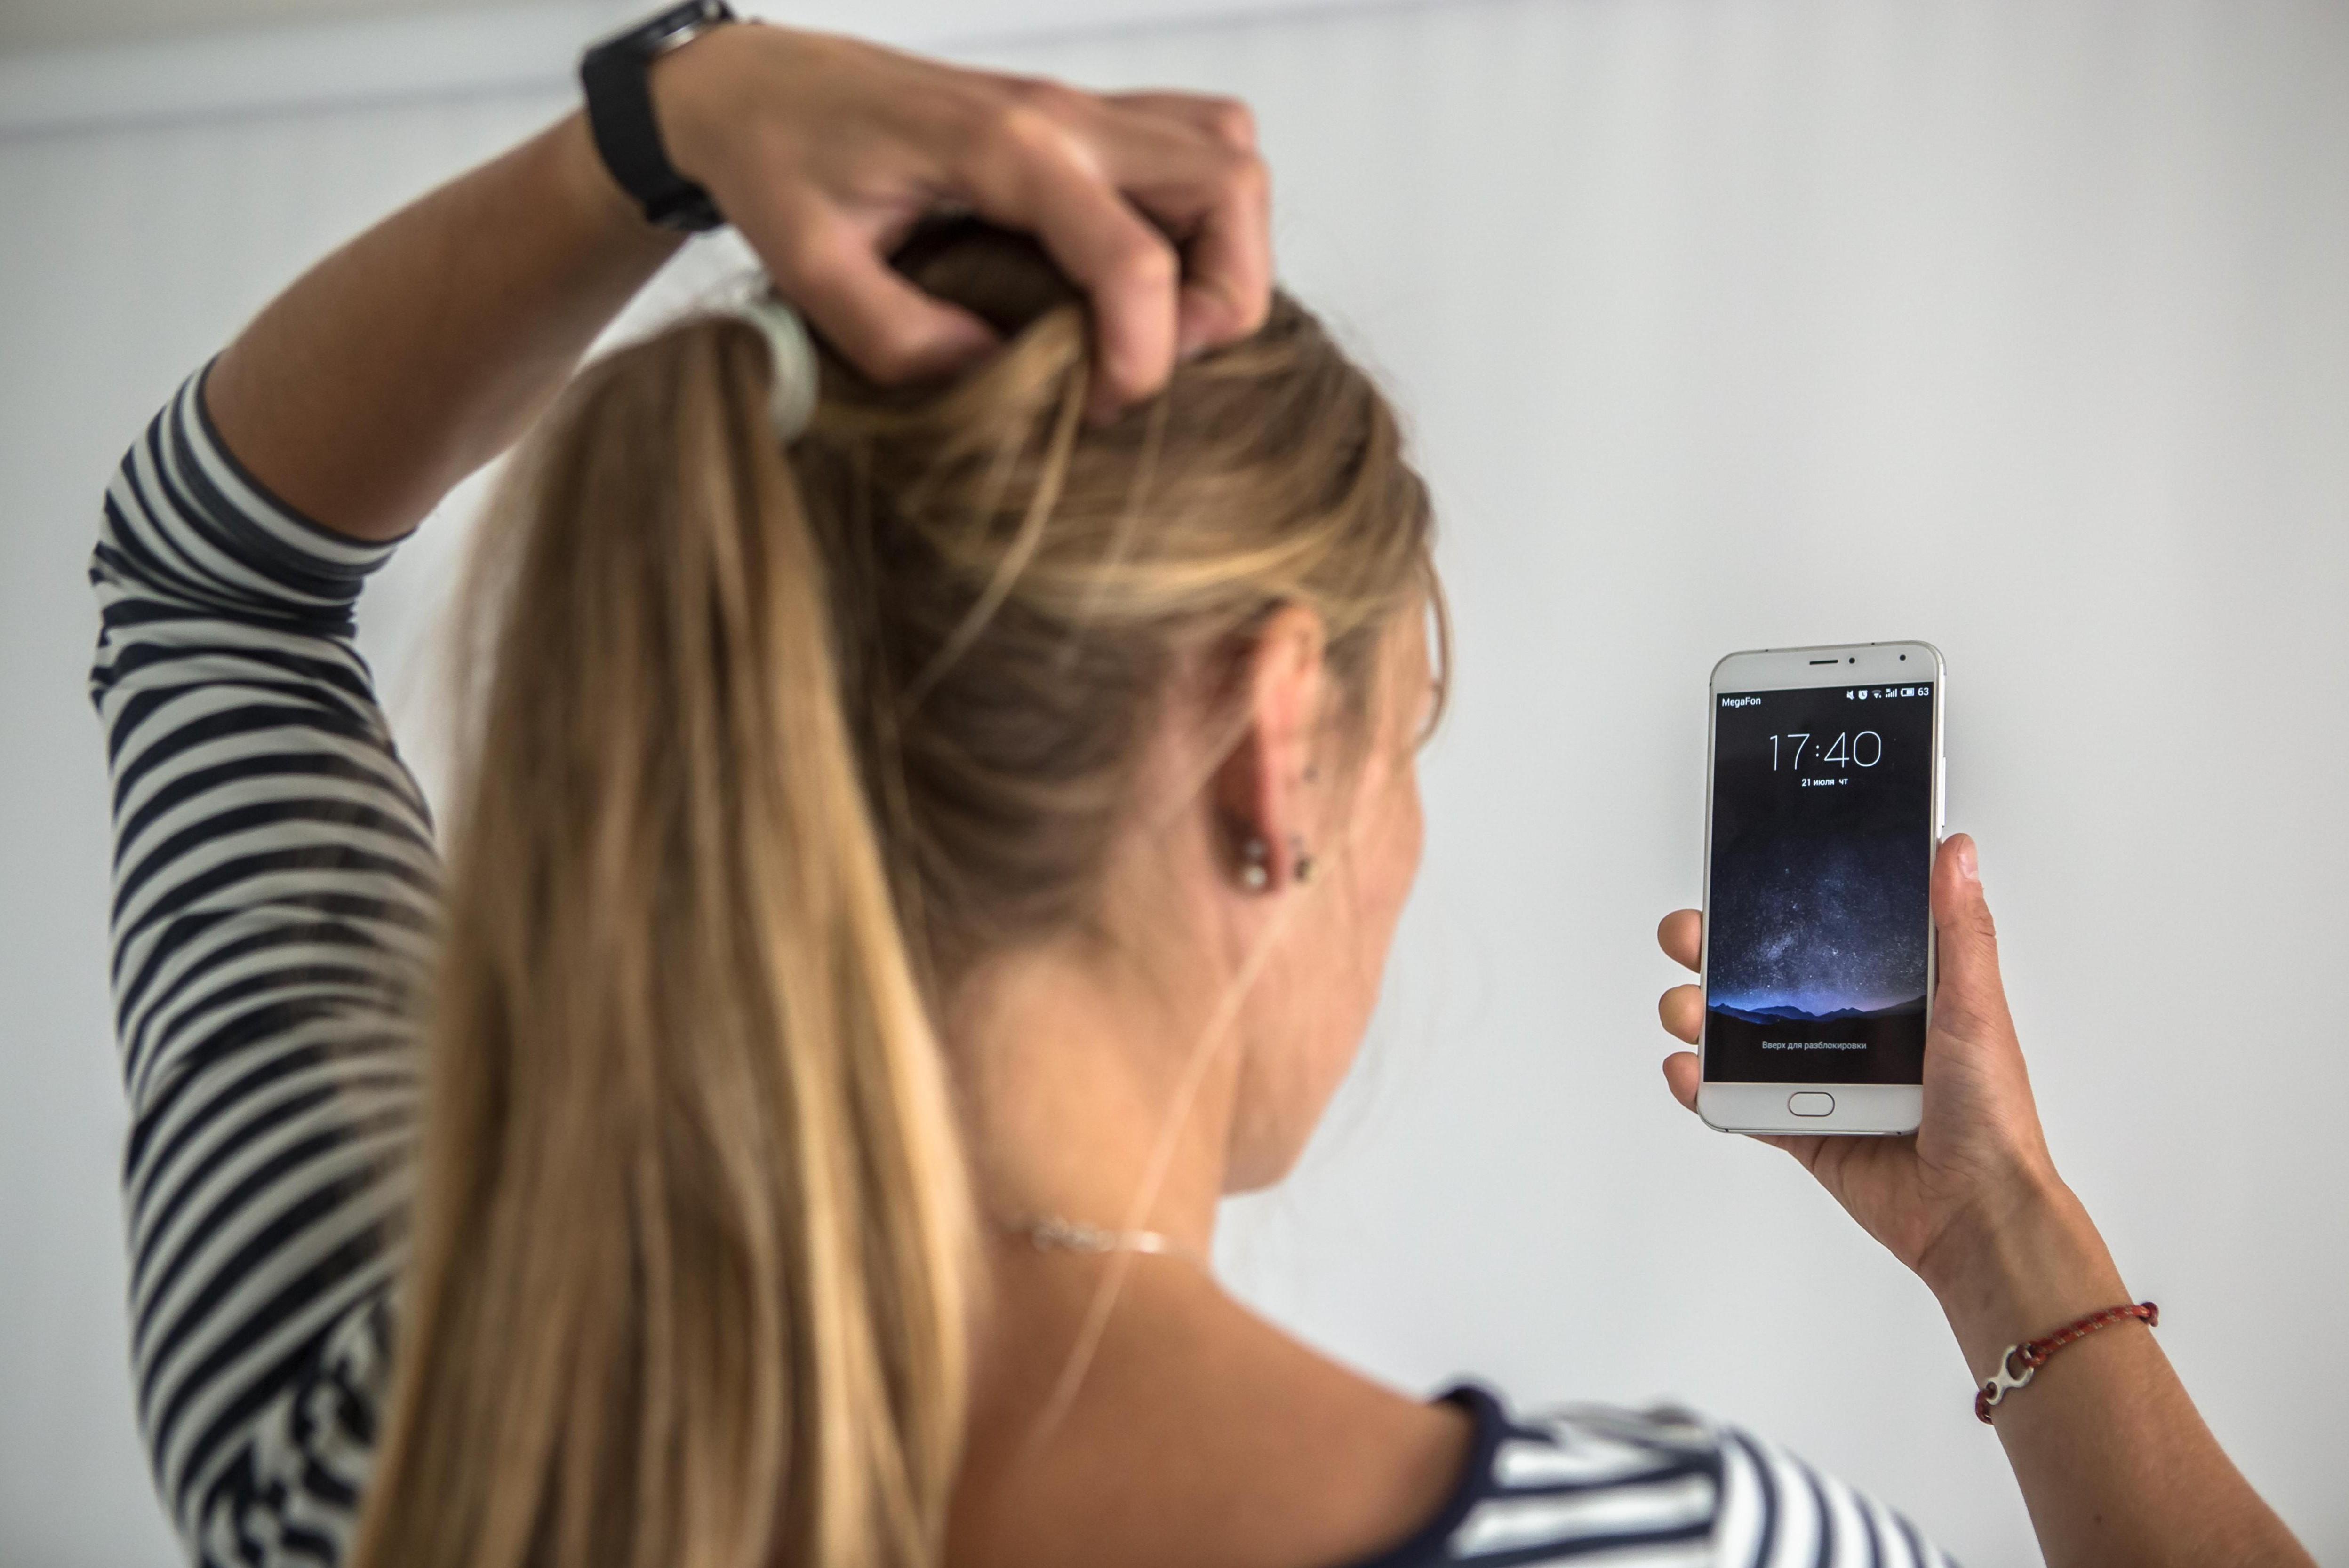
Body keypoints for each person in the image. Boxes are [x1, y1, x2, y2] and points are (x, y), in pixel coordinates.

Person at [85, 16, 2312, 1568]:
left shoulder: (370, 1434)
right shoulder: (1684, 1551)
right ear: (1272, 749)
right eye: (1405, 742)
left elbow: (209, 583)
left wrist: (665, 115)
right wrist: (2006, 1246)